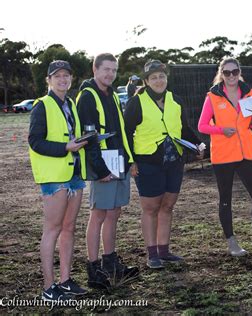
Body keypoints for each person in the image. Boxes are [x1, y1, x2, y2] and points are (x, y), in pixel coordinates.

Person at [124, 60, 205, 269]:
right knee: (151, 208)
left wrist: (198, 145)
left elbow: (184, 128)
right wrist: (130, 160)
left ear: (166, 78)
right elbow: (126, 133)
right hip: (147, 162)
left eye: (161, 76)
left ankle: (164, 250)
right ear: (146, 81)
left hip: (174, 161)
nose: (159, 80)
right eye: (154, 77)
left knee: (168, 206)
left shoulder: (175, 100)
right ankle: (152, 254)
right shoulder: (136, 102)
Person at [197, 57, 252, 256]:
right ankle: (232, 242)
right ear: (221, 74)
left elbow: (251, 125)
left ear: (239, 72)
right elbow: (202, 126)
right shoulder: (213, 97)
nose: (231, 76)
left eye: (234, 72)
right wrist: (222, 130)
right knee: (226, 200)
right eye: (227, 72)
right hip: (223, 155)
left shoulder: (249, 93)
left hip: (245, 154)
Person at [77, 53, 139, 288]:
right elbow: (89, 137)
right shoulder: (87, 96)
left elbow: (121, 131)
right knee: (99, 214)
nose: (110, 74)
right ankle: (93, 269)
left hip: (119, 162)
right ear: (95, 70)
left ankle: (110, 262)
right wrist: (100, 170)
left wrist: (130, 160)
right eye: (106, 70)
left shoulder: (112, 95)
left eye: (113, 70)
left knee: (114, 212)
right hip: (103, 166)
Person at [29, 60, 88, 300]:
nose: (63, 79)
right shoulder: (41, 106)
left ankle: (65, 281)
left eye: (66, 76)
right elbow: (36, 141)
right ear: (49, 80)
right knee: (52, 229)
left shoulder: (70, 104)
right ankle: (48, 287)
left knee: (69, 228)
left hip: (74, 174)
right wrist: (66, 146)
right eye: (58, 76)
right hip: (54, 178)